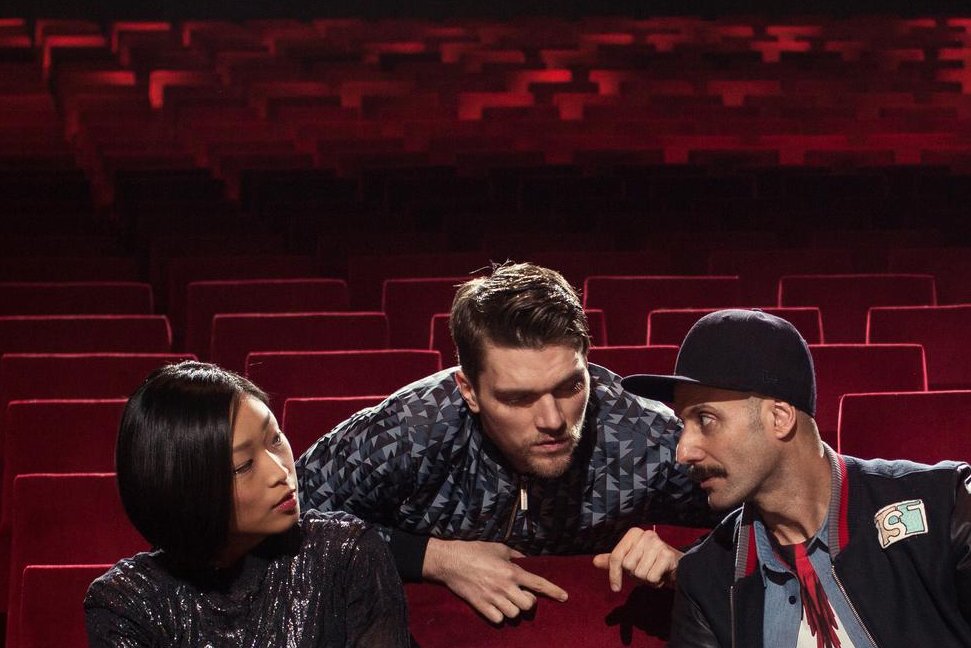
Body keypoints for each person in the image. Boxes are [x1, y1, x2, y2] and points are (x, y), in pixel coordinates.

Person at [627, 310, 971, 648]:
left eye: (705, 420)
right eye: (683, 424)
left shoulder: (941, 503)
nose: (684, 450)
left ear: (779, 418)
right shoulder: (709, 573)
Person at [296, 262, 711, 623]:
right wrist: (432, 557)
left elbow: (751, 518)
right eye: (517, 398)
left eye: (570, 386)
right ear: (469, 391)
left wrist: (685, 563)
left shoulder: (643, 435)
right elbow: (283, 524)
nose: (553, 420)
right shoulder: (410, 429)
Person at [86, 362, 414, 648]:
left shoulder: (347, 554)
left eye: (275, 439)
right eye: (243, 465)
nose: (280, 472)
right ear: (184, 487)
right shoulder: (126, 602)